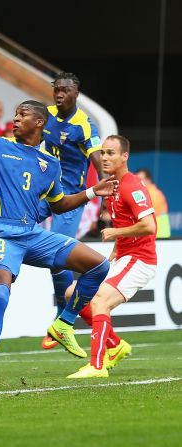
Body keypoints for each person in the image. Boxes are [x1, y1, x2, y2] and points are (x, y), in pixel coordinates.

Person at [0, 100, 117, 393]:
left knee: (99, 265)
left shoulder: (50, 164)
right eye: (15, 114)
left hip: (33, 235)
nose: (14, 119)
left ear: (39, 123)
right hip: (3, 234)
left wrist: (91, 191)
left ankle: (64, 323)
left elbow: (59, 205)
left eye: (22, 115)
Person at [67, 136, 156, 379]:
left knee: (100, 301)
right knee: (72, 293)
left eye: (111, 153)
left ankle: (96, 366)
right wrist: (115, 251)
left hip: (140, 259)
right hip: (124, 257)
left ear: (124, 156)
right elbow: (126, 222)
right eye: (103, 153)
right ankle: (115, 346)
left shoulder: (132, 186)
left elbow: (149, 226)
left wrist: (116, 232)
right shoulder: (111, 187)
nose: (104, 157)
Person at [38, 72, 104, 350]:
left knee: (58, 258)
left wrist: (107, 191)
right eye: (56, 89)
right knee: (12, 225)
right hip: (42, 189)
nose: (59, 93)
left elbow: (97, 159)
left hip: (70, 197)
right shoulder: (45, 114)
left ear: (76, 94)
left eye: (65, 90)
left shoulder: (84, 125)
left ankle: (62, 316)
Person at [136, 168, 170, 238]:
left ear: (148, 180)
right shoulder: (148, 192)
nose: (138, 181)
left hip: (159, 234)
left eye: (141, 179)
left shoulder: (152, 194)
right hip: (156, 233)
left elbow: (148, 215)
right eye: (137, 179)